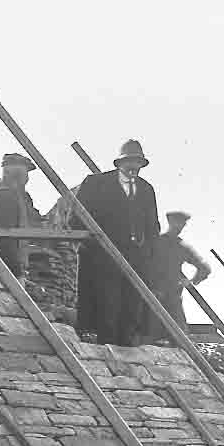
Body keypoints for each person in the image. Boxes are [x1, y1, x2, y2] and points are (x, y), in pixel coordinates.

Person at [74, 140, 161, 346]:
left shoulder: (146, 189)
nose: (134, 166)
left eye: (138, 162)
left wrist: (148, 254)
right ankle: (107, 349)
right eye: (129, 161)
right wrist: (95, 247)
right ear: (119, 163)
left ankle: (127, 351)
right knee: (107, 306)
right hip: (103, 258)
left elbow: (152, 227)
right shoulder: (96, 184)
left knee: (132, 308)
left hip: (135, 261)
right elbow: (76, 218)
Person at [0, 152, 41, 276]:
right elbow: (4, 240)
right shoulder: (6, 196)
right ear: (16, 174)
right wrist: (17, 273)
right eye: (25, 173)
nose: (27, 179)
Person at [145, 211, 213, 326]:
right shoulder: (167, 244)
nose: (182, 226)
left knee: (174, 331)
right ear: (171, 222)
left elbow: (205, 268)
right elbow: (204, 268)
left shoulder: (176, 245)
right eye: (180, 223)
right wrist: (192, 281)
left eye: (183, 224)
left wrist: (191, 281)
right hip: (157, 296)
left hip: (166, 298)